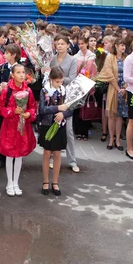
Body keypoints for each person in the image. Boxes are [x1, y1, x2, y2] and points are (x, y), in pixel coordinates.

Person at [0, 64, 37, 197]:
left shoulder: (28, 91)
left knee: (19, 155)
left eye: (23, 72)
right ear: (12, 75)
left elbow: (32, 107)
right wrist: (11, 111)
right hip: (9, 127)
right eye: (18, 72)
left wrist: (29, 114)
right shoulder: (6, 90)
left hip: (22, 127)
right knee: (9, 155)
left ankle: (16, 182)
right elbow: (0, 108)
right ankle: (9, 182)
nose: (21, 75)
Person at [49, 34, 79, 173]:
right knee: (53, 127)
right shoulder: (52, 59)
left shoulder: (73, 60)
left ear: (68, 45)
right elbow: (49, 79)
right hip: (53, 96)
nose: (59, 46)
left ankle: (72, 160)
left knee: (69, 130)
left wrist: (58, 79)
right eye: (57, 43)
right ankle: (52, 159)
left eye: (62, 43)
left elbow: (72, 79)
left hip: (67, 97)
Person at [38, 67, 69, 196]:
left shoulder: (64, 90)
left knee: (57, 153)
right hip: (47, 124)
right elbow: (42, 109)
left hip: (60, 124)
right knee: (47, 152)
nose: (59, 84)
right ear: (51, 80)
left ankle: (55, 182)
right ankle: (45, 181)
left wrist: (63, 113)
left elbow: (71, 107)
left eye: (61, 81)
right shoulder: (44, 91)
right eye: (57, 82)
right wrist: (57, 108)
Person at [96, 38, 127, 151]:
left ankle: (118, 139)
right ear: (116, 46)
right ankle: (111, 139)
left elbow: (129, 73)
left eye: (124, 45)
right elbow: (108, 73)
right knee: (111, 115)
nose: (123, 47)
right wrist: (118, 88)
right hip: (113, 88)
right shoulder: (110, 57)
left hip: (125, 89)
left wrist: (124, 88)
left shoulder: (126, 58)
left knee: (120, 116)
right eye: (121, 45)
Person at [0, 43, 21, 169]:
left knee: (15, 132)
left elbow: (24, 84)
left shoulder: (21, 68)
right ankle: (2, 157)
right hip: (3, 104)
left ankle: (14, 155)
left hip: (16, 105)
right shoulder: (3, 67)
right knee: (2, 131)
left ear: (14, 55)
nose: (4, 55)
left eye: (7, 53)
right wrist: (0, 86)